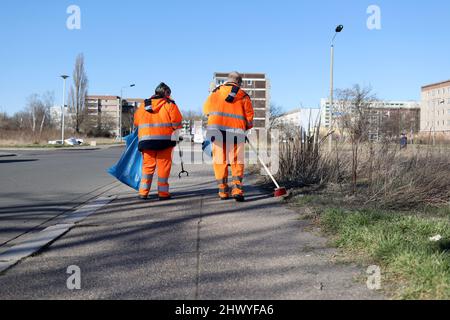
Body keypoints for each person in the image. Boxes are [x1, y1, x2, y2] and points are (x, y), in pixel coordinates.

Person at [203, 72, 254, 202]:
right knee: (237, 162)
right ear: (239, 82)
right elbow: (249, 118)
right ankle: (237, 190)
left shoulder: (215, 93)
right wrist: (246, 128)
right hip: (236, 133)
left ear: (228, 80)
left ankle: (223, 192)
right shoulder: (243, 95)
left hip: (216, 132)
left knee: (220, 162)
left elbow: (206, 110)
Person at [134, 83, 183, 200]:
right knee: (163, 168)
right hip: (165, 141)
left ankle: (143, 192)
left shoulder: (143, 105)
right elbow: (176, 123)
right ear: (166, 93)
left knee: (147, 167)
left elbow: (136, 122)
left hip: (146, 141)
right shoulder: (170, 104)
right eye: (169, 94)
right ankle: (163, 193)